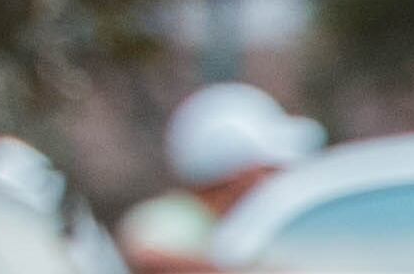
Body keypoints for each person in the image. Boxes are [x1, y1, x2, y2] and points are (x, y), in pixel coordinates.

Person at [115, 83, 325, 273]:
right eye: (269, 169)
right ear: (237, 175)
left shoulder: (249, 225)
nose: (276, 180)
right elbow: (148, 257)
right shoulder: (176, 217)